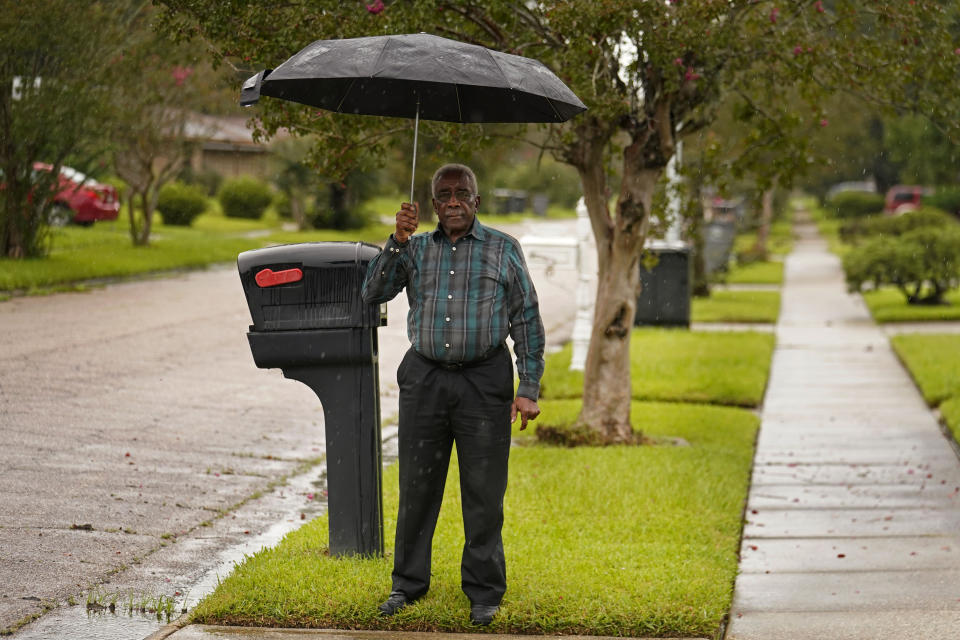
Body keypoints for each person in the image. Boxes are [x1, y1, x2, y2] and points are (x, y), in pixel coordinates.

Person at [361, 163, 544, 626]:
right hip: (425, 380)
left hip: (484, 383)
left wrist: (528, 388)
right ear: (433, 205)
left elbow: (526, 318)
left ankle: (484, 591)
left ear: (477, 202)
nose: (454, 201)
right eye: (444, 195)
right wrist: (396, 242)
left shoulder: (503, 249)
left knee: (483, 492)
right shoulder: (416, 248)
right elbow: (373, 293)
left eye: (462, 193)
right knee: (417, 487)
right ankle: (408, 584)